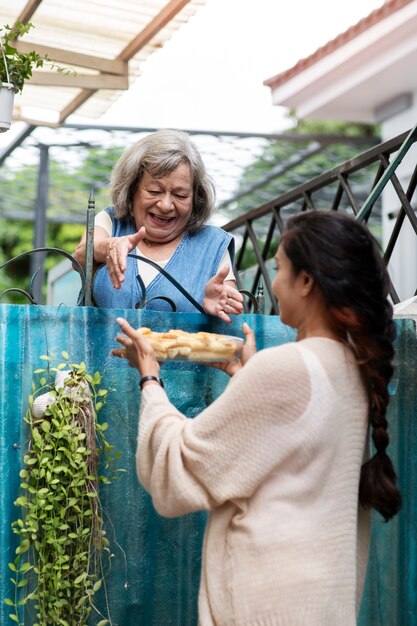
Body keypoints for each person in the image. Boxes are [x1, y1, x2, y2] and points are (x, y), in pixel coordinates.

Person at [111, 210, 402, 626]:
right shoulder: (350, 367)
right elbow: (288, 456)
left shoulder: (284, 367)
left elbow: (182, 466)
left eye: (280, 269)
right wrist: (246, 378)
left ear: (306, 282)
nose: (273, 284)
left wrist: (149, 377)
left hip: (268, 605)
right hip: (321, 604)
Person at [73, 129, 243, 322]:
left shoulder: (213, 244)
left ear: (196, 198)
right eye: (154, 191)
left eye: (180, 195)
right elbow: (80, 255)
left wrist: (221, 305)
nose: (165, 205)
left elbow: (230, 306)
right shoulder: (112, 221)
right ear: (132, 189)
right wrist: (108, 248)